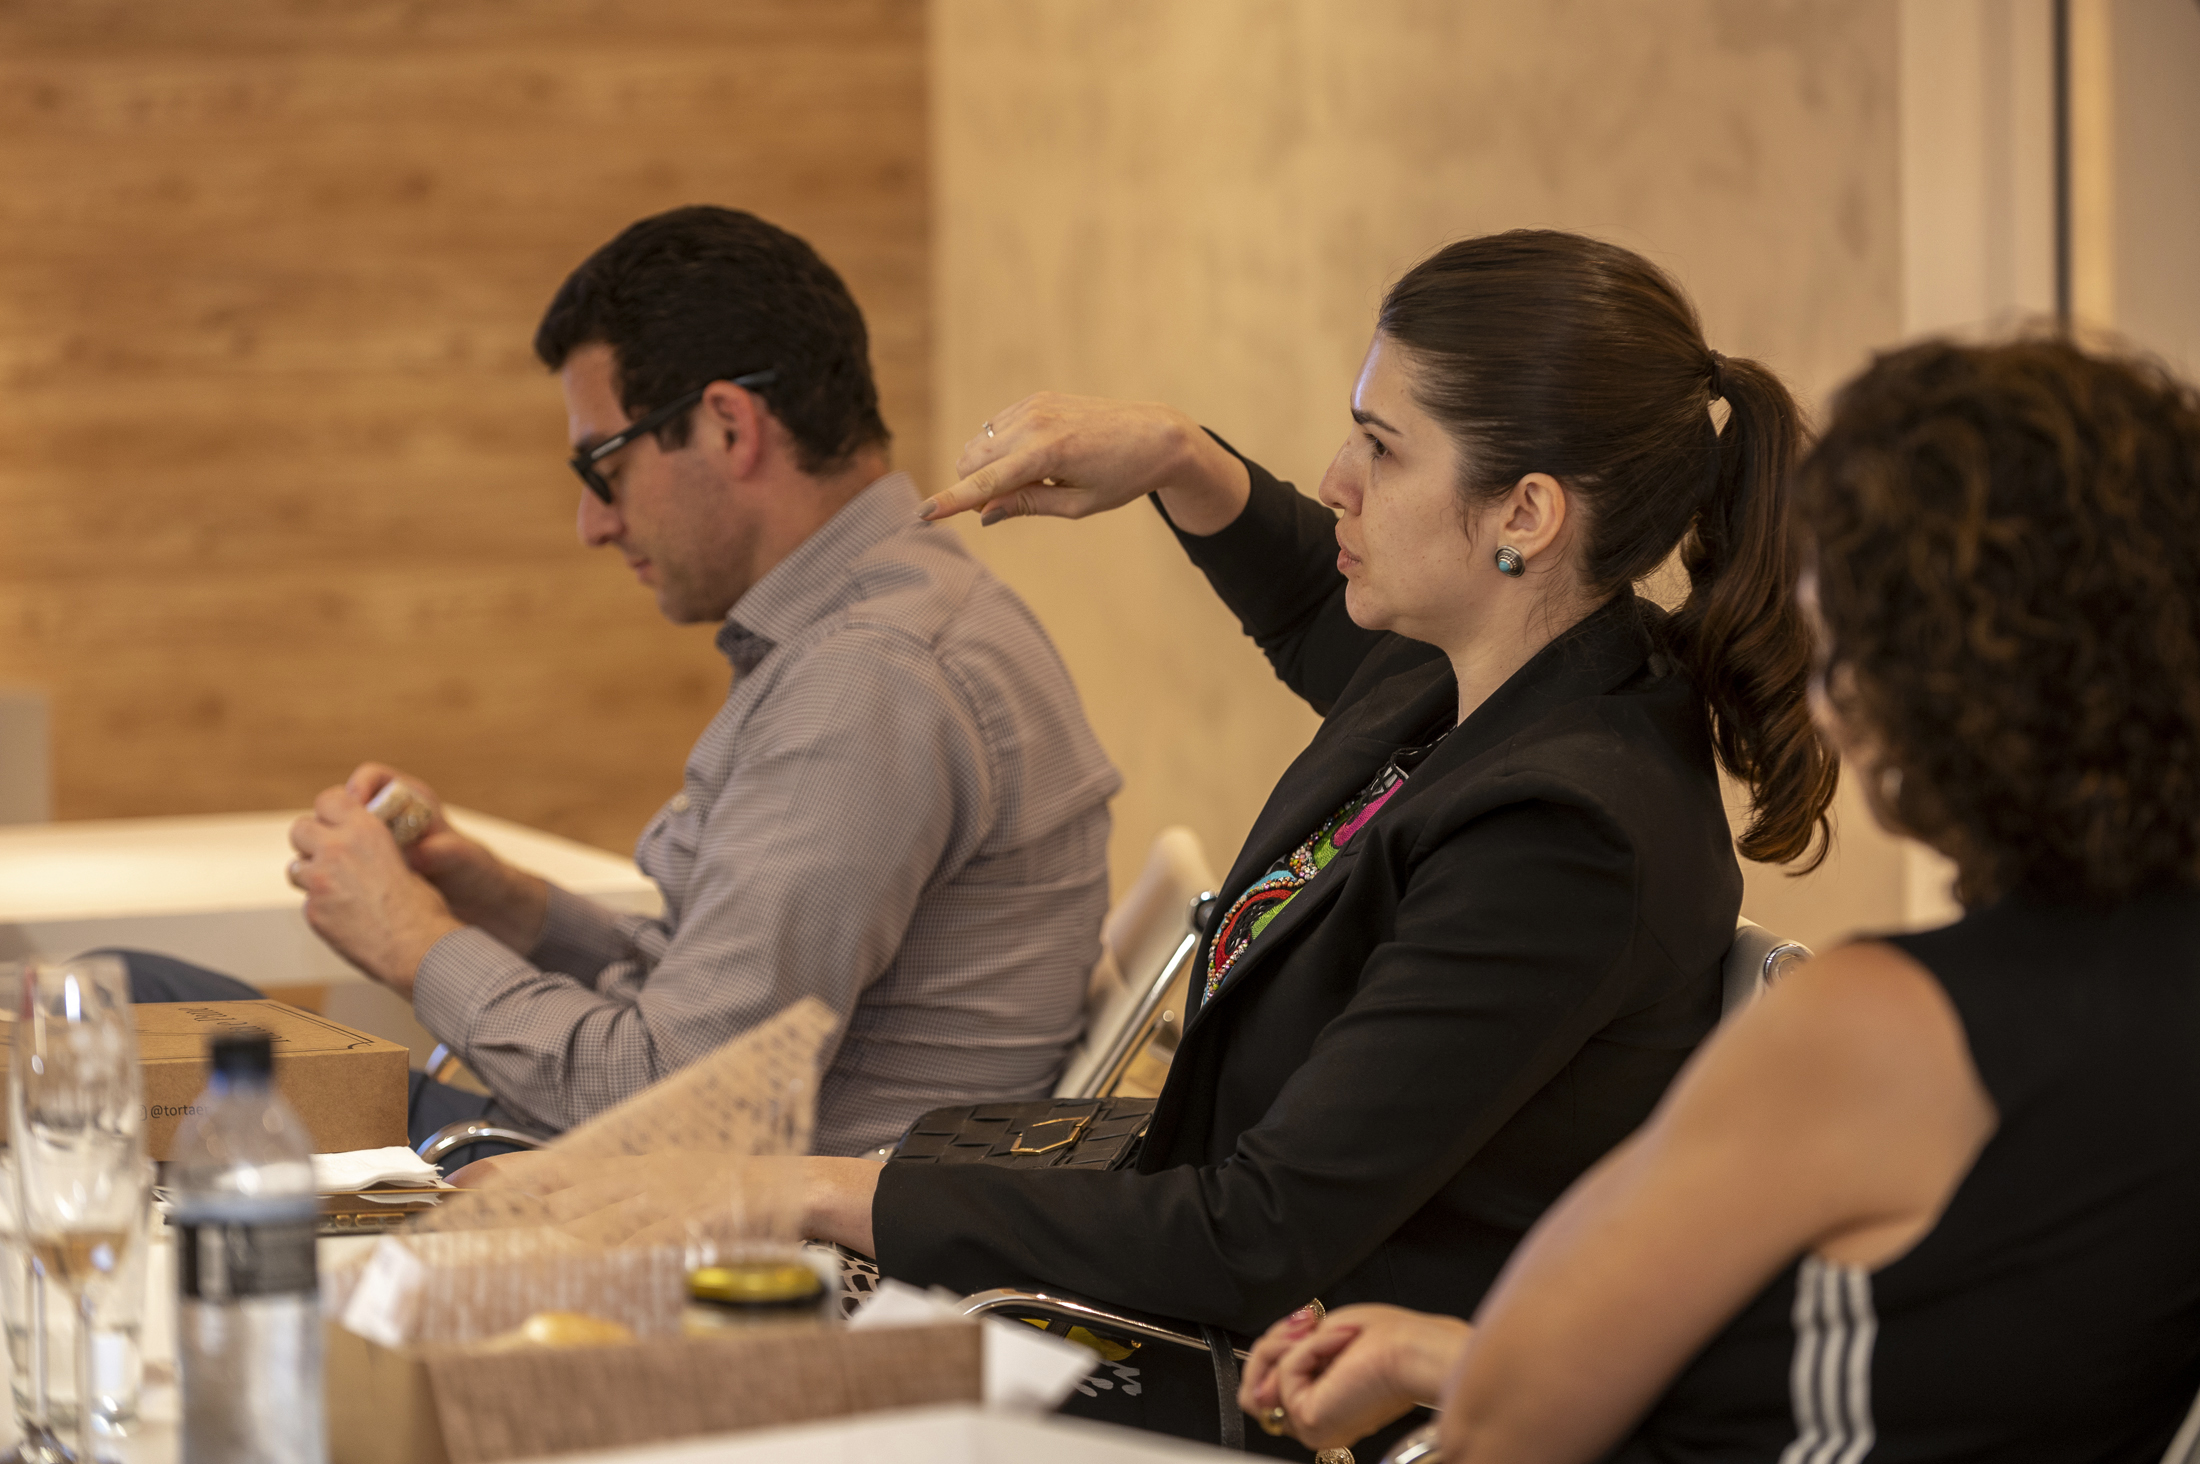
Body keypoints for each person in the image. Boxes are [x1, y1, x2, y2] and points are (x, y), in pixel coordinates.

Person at [466, 229, 1839, 1453]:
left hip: (1299, 1388)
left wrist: (800, 1191)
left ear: (1525, 515)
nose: (1336, 481)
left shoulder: (1563, 833)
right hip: (1218, 1309)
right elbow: (1307, 591)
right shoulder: (1504, 671)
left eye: (1381, 446)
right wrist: (1177, 456)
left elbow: (1252, 1234)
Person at [1237, 337, 2200, 1463]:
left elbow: (1510, 1426)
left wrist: (1468, 1372)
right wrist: (1449, 1355)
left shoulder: (1880, 1027)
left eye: (1830, 645)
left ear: (1906, 690)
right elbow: (1937, 1371)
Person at [277, 205, 1121, 1159]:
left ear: (728, 427)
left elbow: (678, 1102)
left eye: (603, 465)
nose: (593, 525)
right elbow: (707, 997)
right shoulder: (897, 622)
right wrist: (504, 903)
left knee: (155, 1012)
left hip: (696, 1218)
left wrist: (411, 940)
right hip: (687, 1184)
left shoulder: (867, 682)